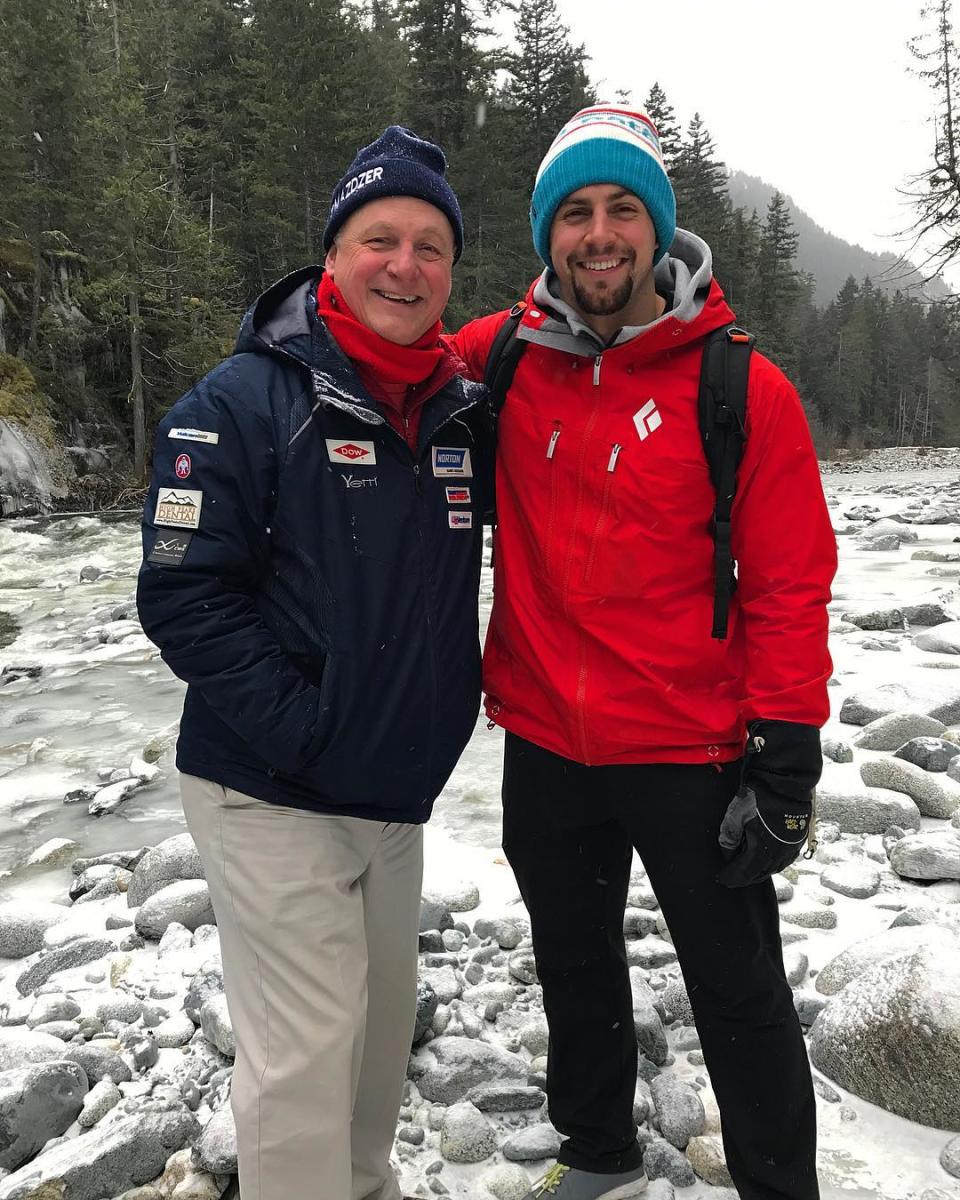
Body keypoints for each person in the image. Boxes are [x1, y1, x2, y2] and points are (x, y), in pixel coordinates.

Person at [450, 105, 837, 1200]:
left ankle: (778, 1184)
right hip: (546, 739)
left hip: (691, 745)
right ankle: (599, 1154)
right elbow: (386, 364)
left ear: (659, 230)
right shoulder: (502, 361)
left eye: (624, 209)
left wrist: (789, 756)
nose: (600, 234)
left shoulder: (739, 386)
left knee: (740, 989)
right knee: (573, 967)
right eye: (575, 213)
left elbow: (788, 580)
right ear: (547, 236)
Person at [137, 127, 489, 1200]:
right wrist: (311, 728)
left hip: (392, 790)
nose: (405, 265)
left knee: (378, 1037)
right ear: (331, 256)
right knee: (305, 1054)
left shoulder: (459, 411)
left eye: (431, 247)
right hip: (271, 786)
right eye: (380, 238)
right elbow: (182, 595)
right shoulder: (239, 403)